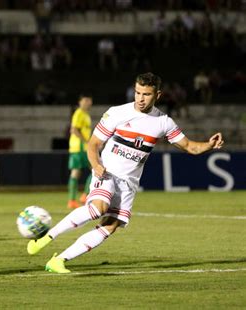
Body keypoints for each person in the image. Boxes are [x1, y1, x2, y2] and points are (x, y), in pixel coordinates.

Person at [27, 72, 224, 273]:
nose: (140, 98)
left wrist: (209, 145)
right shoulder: (117, 113)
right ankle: (46, 236)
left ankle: (58, 261)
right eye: (137, 92)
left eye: (146, 94)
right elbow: (94, 144)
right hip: (107, 172)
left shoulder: (163, 122)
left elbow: (190, 146)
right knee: (99, 208)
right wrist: (95, 165)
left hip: (128, 184)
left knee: (110, 225)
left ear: (157, 95)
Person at [67, 94, 93, 209]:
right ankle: (77, 198)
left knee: (93, 170)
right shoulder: (79, 113)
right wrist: (86, 142)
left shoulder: (86, 115)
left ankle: (82, 196)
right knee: (94, 170)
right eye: (85, 100)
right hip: (79, 147)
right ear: (80, 102)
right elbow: (73, 130)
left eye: (89, 100)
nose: (88, 102)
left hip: (83, 147)